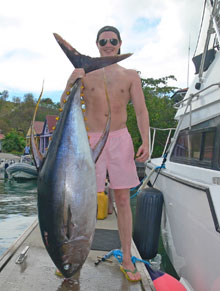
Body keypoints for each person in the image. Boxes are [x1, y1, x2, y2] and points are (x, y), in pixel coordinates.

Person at [60, 26, 149, 282]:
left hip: (120, 139)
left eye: (112, 41)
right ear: (97, 44)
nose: (108, 45)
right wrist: (71, 80)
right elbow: (66, 103)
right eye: (103, 41)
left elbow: (141, 112)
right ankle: (73, 257)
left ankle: (128, 257)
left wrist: (146, 140)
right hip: (89, 141)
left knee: (122, 200)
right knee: (81, 202)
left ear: (120, 43)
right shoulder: (85, 73)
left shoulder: (131, 75)